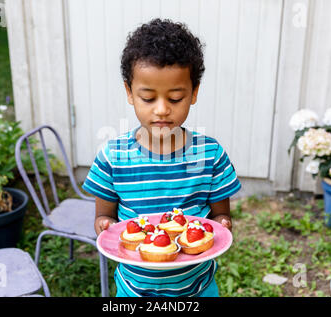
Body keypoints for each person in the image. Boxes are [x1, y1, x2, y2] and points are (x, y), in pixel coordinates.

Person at [82, 18, 241, 297]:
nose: (162, 110)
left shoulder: (211, 155)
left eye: (176, 98)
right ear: (129, 93)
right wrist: (104, 226)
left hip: (197, 287)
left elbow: (220, 215)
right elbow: (103, 218)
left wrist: (224, 222)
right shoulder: (113, 158)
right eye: (148, 98)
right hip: (134, 289)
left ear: (194, 93)